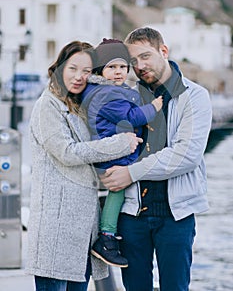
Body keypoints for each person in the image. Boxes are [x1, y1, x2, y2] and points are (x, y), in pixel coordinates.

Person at [101, 27, 213, 291]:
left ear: (163, 51)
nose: (139, 66)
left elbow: (186, 155)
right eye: (133, 62)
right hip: (131, 214)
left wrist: (131, 172)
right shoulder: (124, 96)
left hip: (176, 215)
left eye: (145, 56)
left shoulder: (195, 96)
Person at [26, 40, 143, 291]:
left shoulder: (81, 106)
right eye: (72, 68)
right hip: (56, 228)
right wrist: (120, 143)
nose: (79, 77)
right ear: (59, 68)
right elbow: (67, 153)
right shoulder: (47, 106)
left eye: (87, 71)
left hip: (83, 230)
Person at [80, 38, 163, 269]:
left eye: (122, 67)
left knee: (121, 191)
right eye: (112, 67)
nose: (118, 72)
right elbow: (132, 116)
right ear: (100, 70)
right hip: (112, 153)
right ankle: (106, 238)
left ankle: (109, 235)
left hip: (118, 150)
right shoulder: (105, 94)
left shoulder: (112, 90)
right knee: (116, 192)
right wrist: (154, 107)